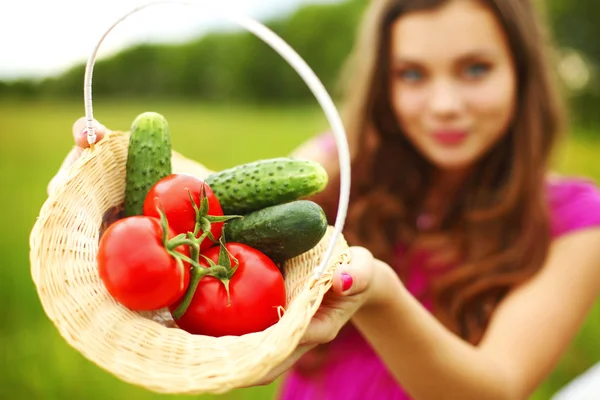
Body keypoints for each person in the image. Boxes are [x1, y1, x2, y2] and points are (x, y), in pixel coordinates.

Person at [48, 0, 600, 398]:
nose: (445, 103)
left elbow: (497, 389)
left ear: (523, 75)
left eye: (475, 69)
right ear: (383, 83)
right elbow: (221, 220)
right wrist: (123, 205)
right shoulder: (335, 162)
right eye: (411, 73)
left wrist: (380, 294)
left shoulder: (577, 221)